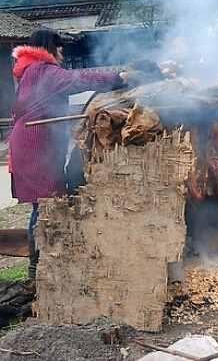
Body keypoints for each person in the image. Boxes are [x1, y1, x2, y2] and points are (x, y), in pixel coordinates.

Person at [9, 29, 129, 279]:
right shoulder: (43, 72)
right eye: (60, 48)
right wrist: (120, 77)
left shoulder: (30, 71)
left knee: (43, 204)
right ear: (49, 48)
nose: (62, 54)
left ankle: (42, 261)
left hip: (31, 145)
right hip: (34, 148)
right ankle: (39, 266)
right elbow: (81, 79)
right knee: (46, 204)